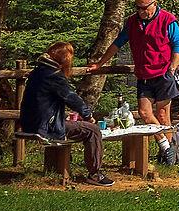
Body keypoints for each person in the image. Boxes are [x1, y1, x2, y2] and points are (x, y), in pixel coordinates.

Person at [100, 0, 179, 152]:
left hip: (163, 74)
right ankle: (167, 147)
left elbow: (178, 44)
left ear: (155, 4)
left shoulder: (168, 20)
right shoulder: (132, 21)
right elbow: (118, 42)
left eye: (144, 7)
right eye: (138, 7)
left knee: (162, 115)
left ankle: (167, 155)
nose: (141, 11)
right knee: (144, 113)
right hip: (143, 75)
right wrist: (100, 63)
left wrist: (172, 68)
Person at [19, 41, 113, 185]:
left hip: (30, 124)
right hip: (45, 128)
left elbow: (42, 103)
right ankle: (95, 175)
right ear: (65, 59)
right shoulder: (54, 75)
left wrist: (63, 116)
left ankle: (63, 169)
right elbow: (71, 98)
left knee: (76, 124)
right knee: (93, 130)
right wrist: (88, 116)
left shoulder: (37, 72)